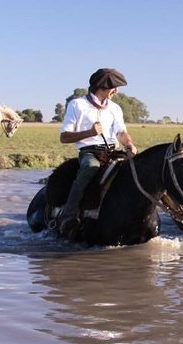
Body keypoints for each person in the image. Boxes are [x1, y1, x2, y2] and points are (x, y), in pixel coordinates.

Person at [57, 68, 138, 237]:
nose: (116, 91)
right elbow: (64, 137)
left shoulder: (115, 108)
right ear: (102, 86)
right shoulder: (77, 105)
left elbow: (121, 132)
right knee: (90, 168)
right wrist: (90, 133)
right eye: (114, 87)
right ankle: (69, 215)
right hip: (90, 152)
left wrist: (129, 144)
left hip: (113, 151)